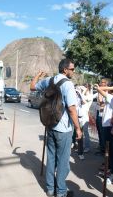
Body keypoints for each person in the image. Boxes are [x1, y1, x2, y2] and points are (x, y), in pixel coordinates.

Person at [30, 58, 82, 197]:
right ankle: (61, 192)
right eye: (72, 69)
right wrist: (78, 128)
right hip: (63, 128)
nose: (73, 71)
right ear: (65, 69)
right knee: (63, 162)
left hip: (50, 125)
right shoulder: (68, 84)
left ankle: (50, 189)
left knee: (51, 158)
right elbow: (71, 109)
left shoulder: (49, 81)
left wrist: (37, 75)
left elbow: (32, 86)